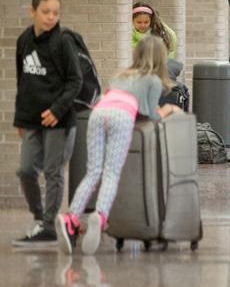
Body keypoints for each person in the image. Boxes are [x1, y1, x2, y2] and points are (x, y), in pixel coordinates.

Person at [56, 37, 183, 255]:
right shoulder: (152, 81)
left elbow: (111, 97)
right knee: (111, 173)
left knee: (93, 171)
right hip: (121, 117)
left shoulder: (121, 75)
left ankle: (72, 218)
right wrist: (169, 109)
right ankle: (101, 215)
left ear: (137, 54)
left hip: (99, 113)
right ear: (161, 58)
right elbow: (150, 114)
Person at [13, 0, 82, 246]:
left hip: (60, 121)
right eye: (45, 12)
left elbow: (75, 81)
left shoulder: (63, 42)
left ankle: (49, 225)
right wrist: (20, 119)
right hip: (32, 119)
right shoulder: (23, 41)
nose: (51, 17)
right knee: (25, 170)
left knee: (53, 171)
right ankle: (40, 218)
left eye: (55, 12)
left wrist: (57, 109)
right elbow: (23, 81)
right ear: (33, 12)